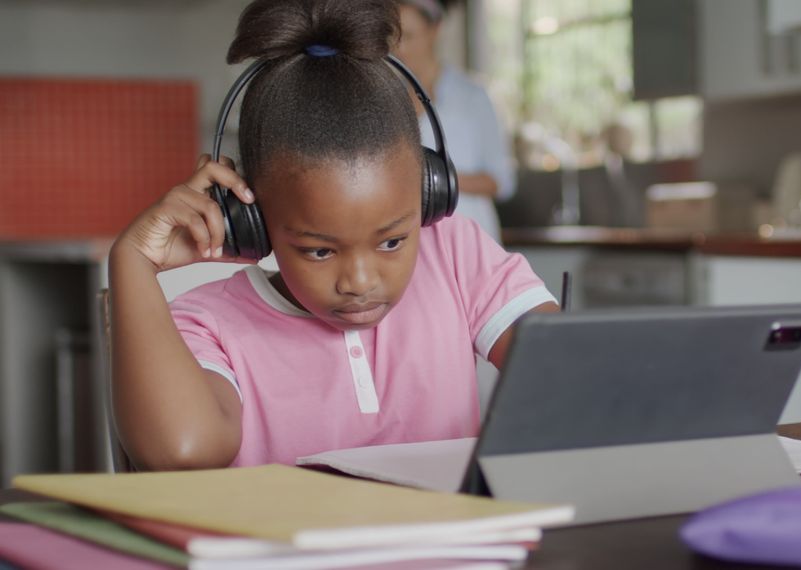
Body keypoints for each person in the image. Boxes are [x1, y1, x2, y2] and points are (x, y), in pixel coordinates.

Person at [108, 0, 558, 471]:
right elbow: (184, 453)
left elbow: (574, 377)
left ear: (429, 196)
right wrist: (132, 261)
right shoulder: (206, 325)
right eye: (319, 250)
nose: (360, 281)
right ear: (251, 217)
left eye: (391, 242)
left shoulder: (455, 258)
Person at [393, 0, 514, 243]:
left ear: (435, 30)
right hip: (415, 242)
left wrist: (429, 179)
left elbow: (501, 181)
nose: (401, 48)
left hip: (472, 239)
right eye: (395, 38)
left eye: (409, 36)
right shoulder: (390, 100)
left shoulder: (473, 97)